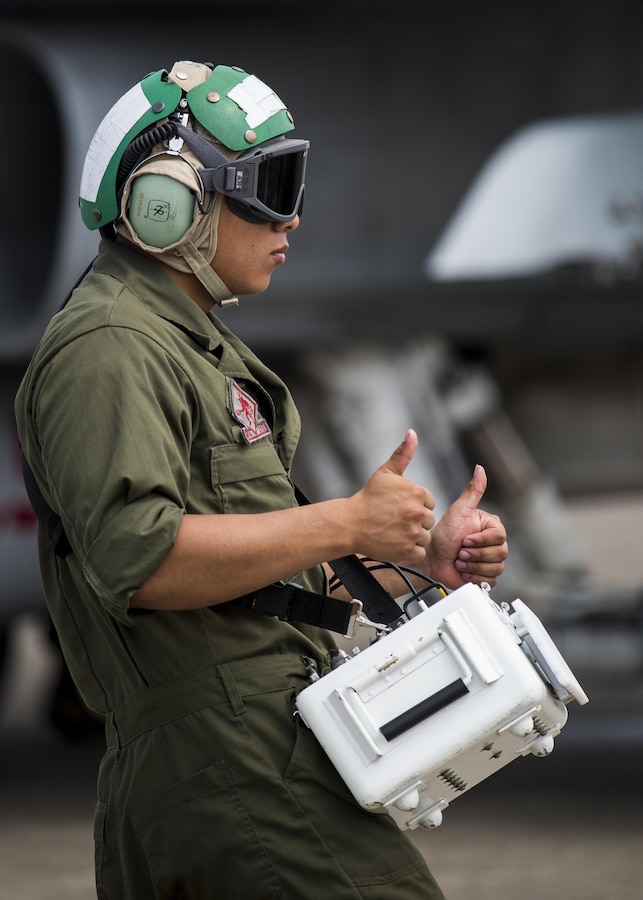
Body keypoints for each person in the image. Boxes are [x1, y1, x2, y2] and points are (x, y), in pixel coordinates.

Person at [15, 60, 508, 900]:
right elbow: (144, 561)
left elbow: (239, 571)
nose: (293, 217)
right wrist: (346, 523)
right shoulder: (108, 348)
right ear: (166, 203)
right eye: (269, 187)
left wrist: (414, 555)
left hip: (251, 753)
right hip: (230, 766)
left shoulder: (179, 342)